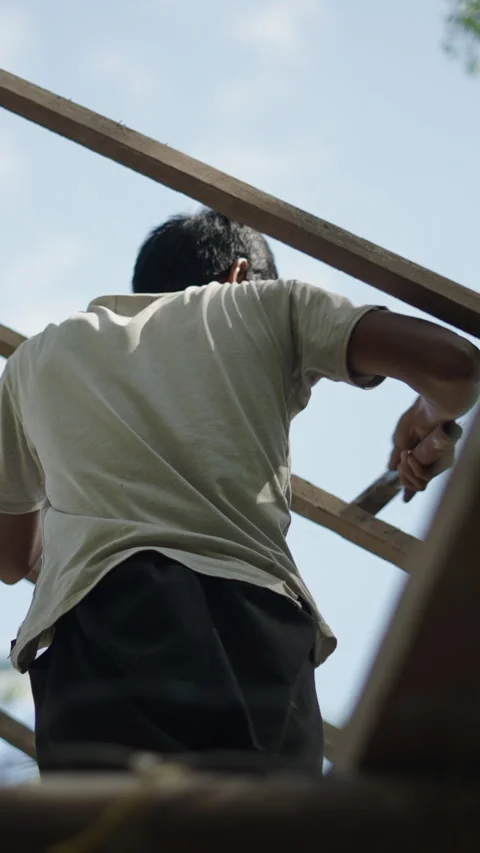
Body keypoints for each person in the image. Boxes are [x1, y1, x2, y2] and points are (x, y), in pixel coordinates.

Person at [0, 209, 478, 775]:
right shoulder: (265, 304)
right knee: (262, 818)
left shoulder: (34, 359)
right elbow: (457, 366)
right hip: (250, 627)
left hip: (97, 636)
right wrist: (426, 415)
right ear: (241, 274)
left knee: (110, 820)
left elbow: (12, 558)